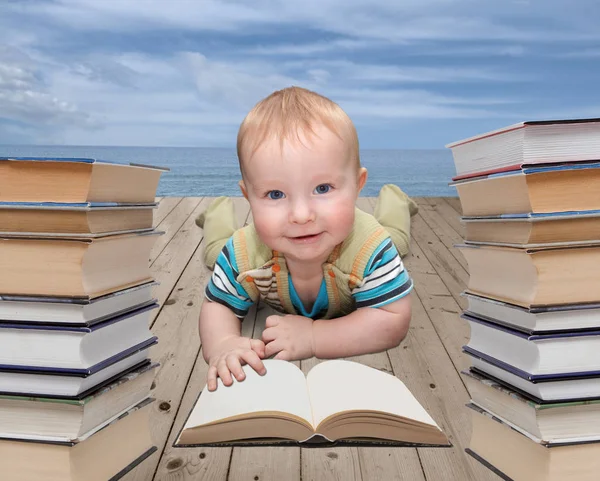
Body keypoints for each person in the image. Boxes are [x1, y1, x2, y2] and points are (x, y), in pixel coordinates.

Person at [196, 86, 418, 391]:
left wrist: (314, 337)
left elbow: (393, 318)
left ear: (357, 185)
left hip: (370, 234)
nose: (301, 215)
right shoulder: (245, 252)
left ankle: (396, 199)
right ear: (249, 197)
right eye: (275, 194)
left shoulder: (372, 248)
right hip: (252, 242)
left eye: (323, 188)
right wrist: (222, 343)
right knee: (215, 252)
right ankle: (216, 212)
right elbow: (217, 304)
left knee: (398, 238)